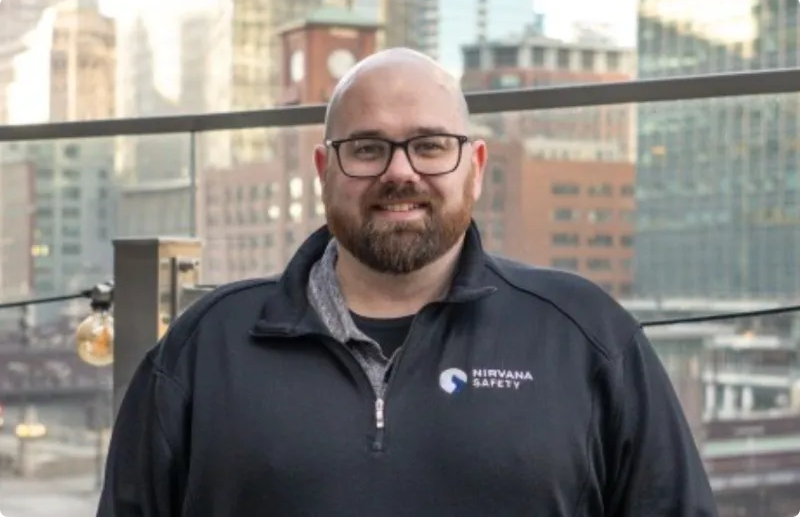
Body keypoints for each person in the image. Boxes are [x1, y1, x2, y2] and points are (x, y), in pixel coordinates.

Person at [97, 48, 718, 516]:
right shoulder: (205, 349)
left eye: (429, 146)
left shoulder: (585, 335)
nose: (400, 173)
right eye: (367, 148)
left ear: (473, 168)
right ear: (324, 170)